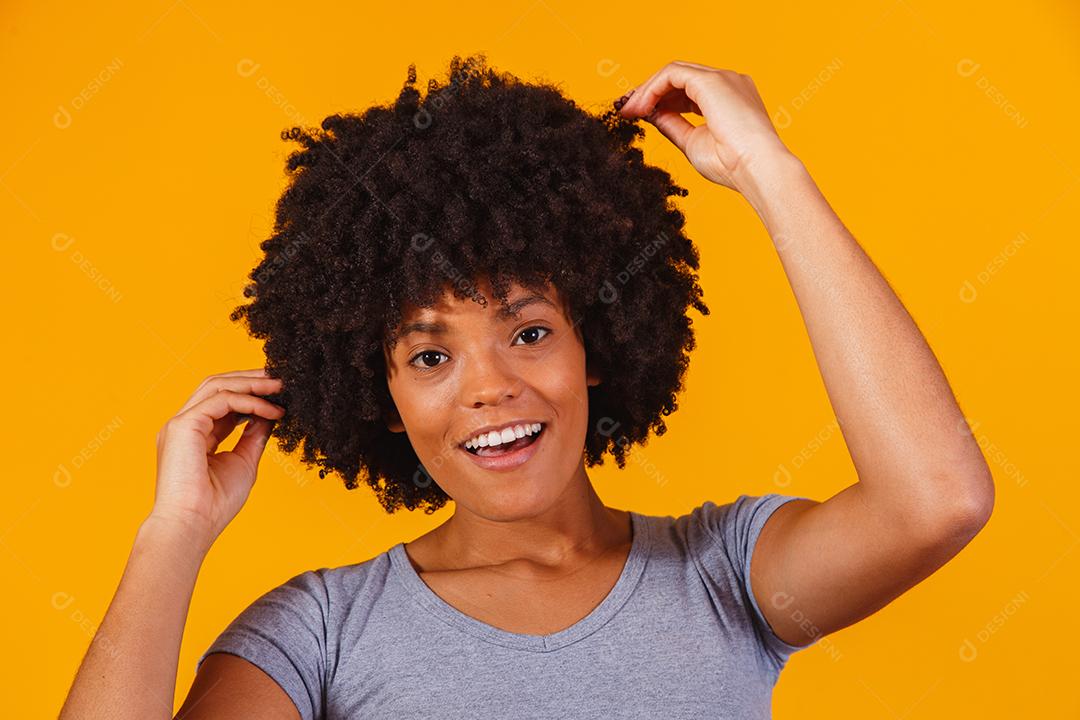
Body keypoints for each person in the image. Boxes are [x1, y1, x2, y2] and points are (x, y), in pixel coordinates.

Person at [59, 55, 994, 719]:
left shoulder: (724, 579)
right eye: (431, 355)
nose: (490, 387)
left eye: (530, 332)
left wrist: (769, 175)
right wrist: (172, 533)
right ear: (379, 395)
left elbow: (936, 502)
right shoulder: (319, 635)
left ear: (597, 346)